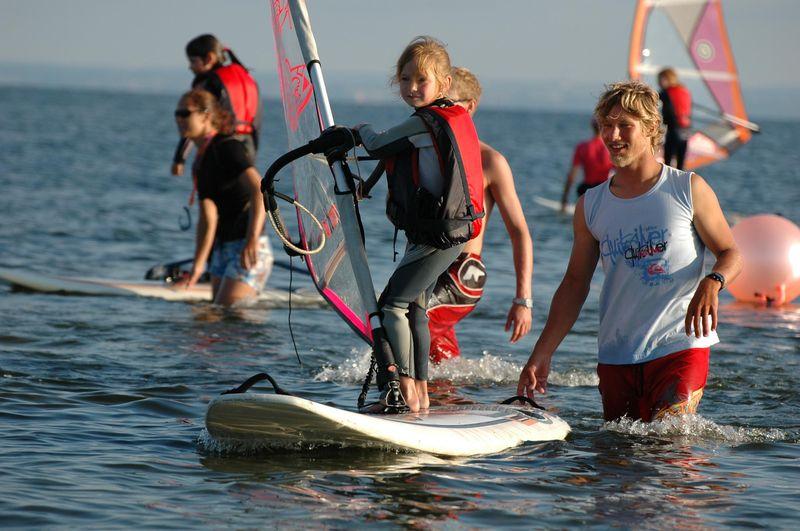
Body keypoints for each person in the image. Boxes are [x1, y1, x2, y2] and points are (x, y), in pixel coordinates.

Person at [516, 80, 742, 422]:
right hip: (616, 354)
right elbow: (575, 283)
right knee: (618, 459)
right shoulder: (591, 205)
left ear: (651, 129)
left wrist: (713, 281)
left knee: (671, 455)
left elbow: (731, 252)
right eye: (607, 125)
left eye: (625, 125)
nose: (613, 135)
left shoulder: (686, 189)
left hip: (679, 347)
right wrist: (541, 353)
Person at [325, 37, 484, 412]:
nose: (412, 87)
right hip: (451, 233)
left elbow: (378, 144)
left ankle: (408, 391)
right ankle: (422, 397)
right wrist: (369, 184)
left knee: (392, 304)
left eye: (422, 80)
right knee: (415, 308)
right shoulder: (445, 119)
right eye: (405, 78)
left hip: (437, 235)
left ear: (444, 85)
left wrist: (358, 128)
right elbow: (399, 157)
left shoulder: (424, 122)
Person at [426, 67, 533, 364]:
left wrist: (522, 300)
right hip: (428, 267)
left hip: (463, 273)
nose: (438, 115)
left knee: (413, 318)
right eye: (434, 107)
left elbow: (520, 233)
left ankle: (413, 394)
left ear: (469, 107)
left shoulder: (491, 162)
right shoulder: (426, 153)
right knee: (437, 355)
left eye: (447, 105)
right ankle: (447, 398)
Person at [172, 89, 273, 306]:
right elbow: (208, 217)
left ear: (206, 116)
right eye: (177, 114)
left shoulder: (228, 147)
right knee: (212, 318)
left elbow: (260, 188)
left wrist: (252, 239)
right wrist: (198, 266)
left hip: (249, 247)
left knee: (230, 320)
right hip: (222, 248)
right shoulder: (200, 159)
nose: (179, 119)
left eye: (185, 113)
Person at [172, 34, 262, 177]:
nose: (190, 67)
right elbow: (256, 121)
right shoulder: (247, 78)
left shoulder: (210, 83)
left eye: (193, 61)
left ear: (209, 58)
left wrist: (179, 158)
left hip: (221, 146)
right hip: (247, 146)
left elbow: (194, 122)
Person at [560, 118, 613, 212]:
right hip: (604, 192)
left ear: (592, 127)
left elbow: (572, 176)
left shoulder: (582, 147)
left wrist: (564, 198)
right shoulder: (611, 148)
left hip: (586, 191)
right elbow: (622, 174)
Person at [658, 67, 692, 170]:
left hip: (674, 131)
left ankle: (668, 184)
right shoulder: (684, 91)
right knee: (680, 164)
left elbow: (652, 97)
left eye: (661, 80)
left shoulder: (666, 93)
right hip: (686, 131)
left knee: (668, 162)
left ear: (668, 79)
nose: (659, 83)